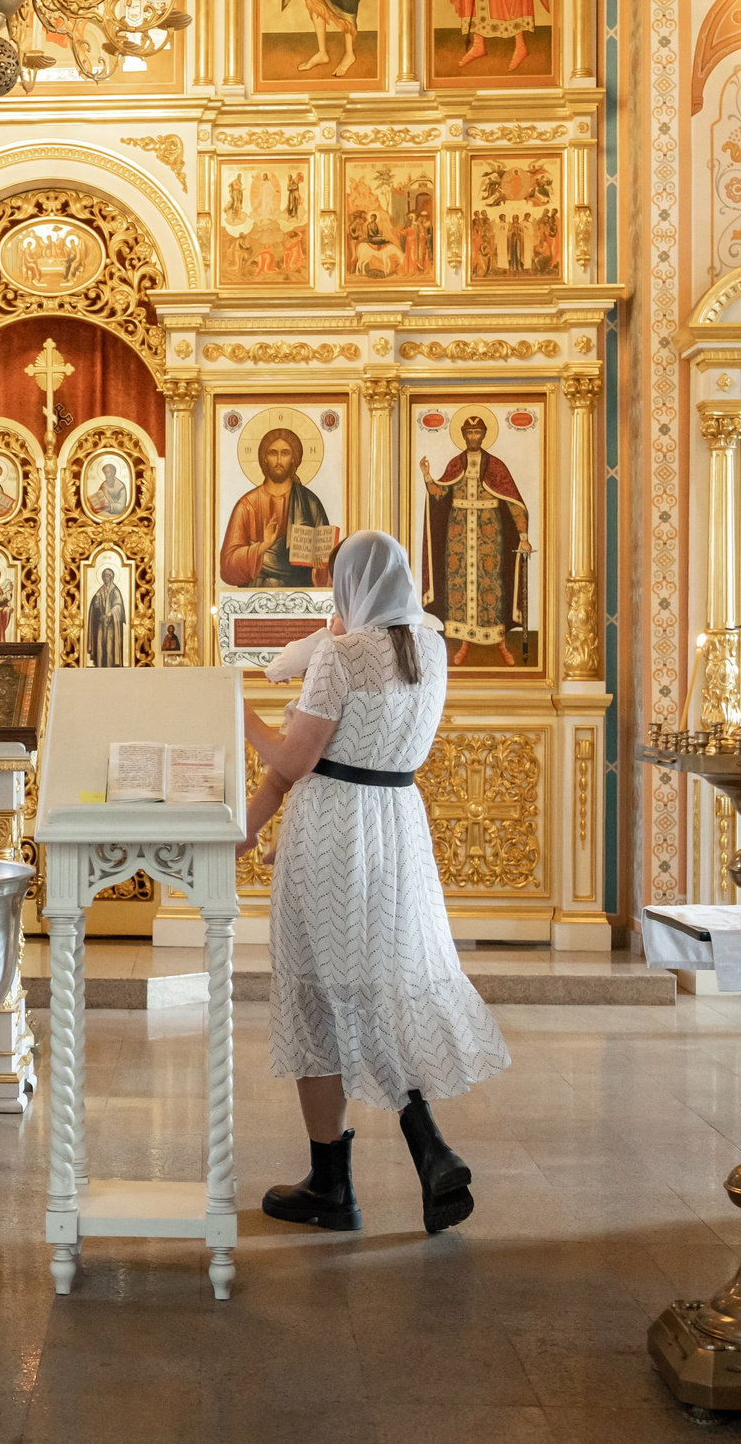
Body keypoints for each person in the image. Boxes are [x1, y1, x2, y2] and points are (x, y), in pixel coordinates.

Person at [244, 532, 508, 1234]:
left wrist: (238, 715)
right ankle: (412, 1151)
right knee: (376, 986)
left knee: (320, 996)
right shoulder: (428, 644)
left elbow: (294, 759)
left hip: (332, 829)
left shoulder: (342, 655)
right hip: (396, 825)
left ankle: (353, 1173)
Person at [419, 412, 532, 664]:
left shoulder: (496, 466)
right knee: (460, 584)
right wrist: (427, 474)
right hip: (457, 533)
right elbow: (439, 493)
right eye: (469, 433)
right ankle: (464, 643)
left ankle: (500, 643)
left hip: (488, 533)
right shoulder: (456, 464)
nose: (473, 437)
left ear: (483, 435)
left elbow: (514, 503)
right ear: (463, 436)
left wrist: (523, 536)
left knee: (491, 584)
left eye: (477, 432)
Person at [222, 426, 334, 588]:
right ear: (264, 458)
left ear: (294, 458)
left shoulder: (310, 503)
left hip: (301, 593)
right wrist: (263, 546)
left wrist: (320, 566)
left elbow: (327, 559)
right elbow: (228, 565)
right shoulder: (247, 505)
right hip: (257, 595)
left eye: (285, 453)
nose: (279, 461)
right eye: (273, 453)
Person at [85, 561, 128, 666]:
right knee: (99, 645)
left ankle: (110, 667)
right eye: (104, 576)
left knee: (110, 646)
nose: (105, 578)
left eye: (107, 576)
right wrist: (96, 599)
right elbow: (94, 606)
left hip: (111, 624)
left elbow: (118, 605)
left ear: (111, 577)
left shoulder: (115, 591)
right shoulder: (100, 590)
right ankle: (99, 666)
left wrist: (109, 614)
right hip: (101, 622)